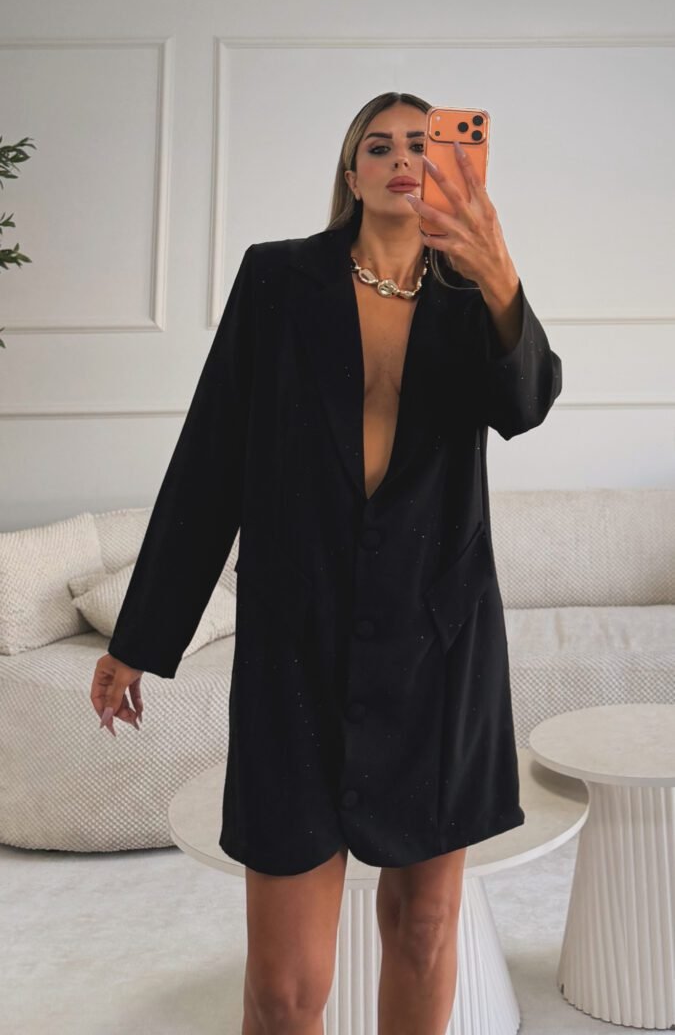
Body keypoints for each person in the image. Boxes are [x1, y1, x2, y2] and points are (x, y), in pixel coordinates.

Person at [90, 91, 562, 1035]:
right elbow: (211, 460)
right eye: (378, 146)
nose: (402, 158)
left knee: (423, 930)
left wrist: (496, 266)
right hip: (294, 647)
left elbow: (525, 405)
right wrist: (140, 638)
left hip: (437, 650)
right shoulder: (277, 278)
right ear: (351, 174)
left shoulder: (474, 293)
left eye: (422, 144)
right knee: (282, 988)